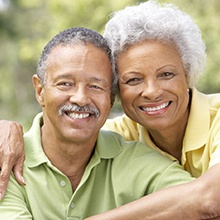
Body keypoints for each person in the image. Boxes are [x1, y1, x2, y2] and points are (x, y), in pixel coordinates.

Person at [1, 0, 220, 219]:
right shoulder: (118, 136)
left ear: (188, 74)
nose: (152, 92)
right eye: (134, 79)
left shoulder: (135, 156)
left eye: (166, 74)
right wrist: (6, 129)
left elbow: (211, 200)